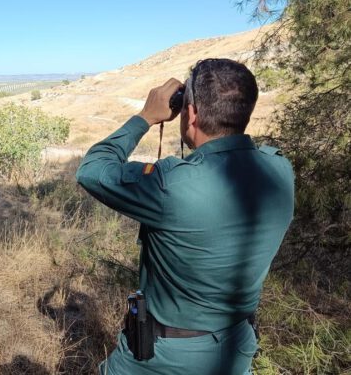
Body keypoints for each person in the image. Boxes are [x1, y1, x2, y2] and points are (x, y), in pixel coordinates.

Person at [76, 58, 294, 374]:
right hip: (235, 350)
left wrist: (145, 117)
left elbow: (92, 171)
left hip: (161, 359)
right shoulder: (280, 171)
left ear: (190, 114)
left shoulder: (173, 185)